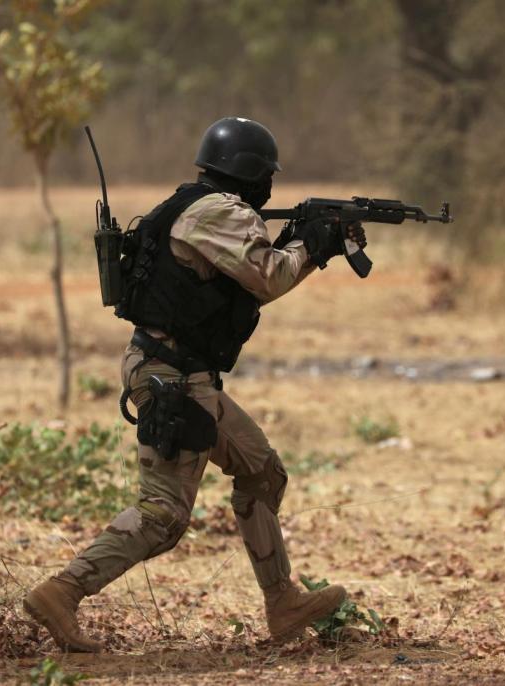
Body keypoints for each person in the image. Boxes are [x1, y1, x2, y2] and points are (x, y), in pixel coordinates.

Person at [24, 117, 366, 652]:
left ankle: (283, 603)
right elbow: (269, 275)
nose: (269, 188)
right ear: (252, 174)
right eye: (266, 178)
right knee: (163, 514)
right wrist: (310, 247)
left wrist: (305, 239)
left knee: (261, 472)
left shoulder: (197, 206)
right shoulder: (217, 212)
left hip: (188, 376)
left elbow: (250, 267)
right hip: (170, 379)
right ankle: (62, 592)